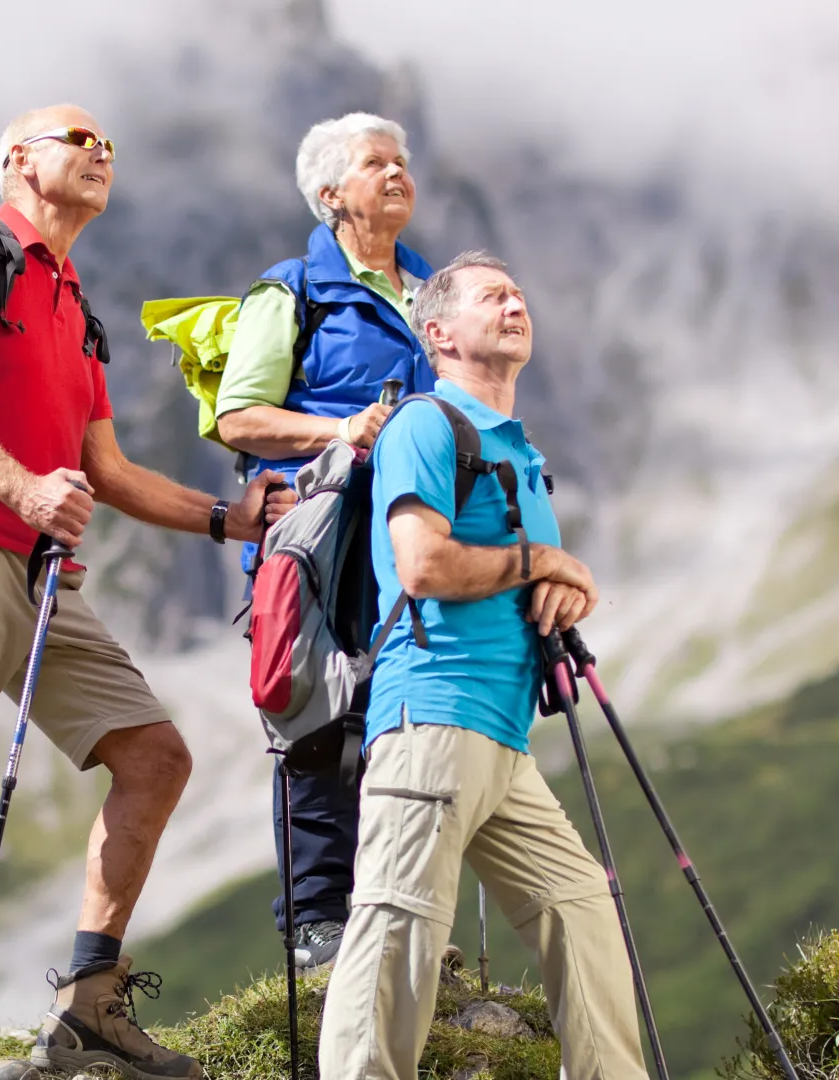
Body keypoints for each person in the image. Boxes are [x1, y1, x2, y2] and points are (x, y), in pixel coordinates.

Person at [0, 104, 296, 1080]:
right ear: (18, 159)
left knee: (155, 757)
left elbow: (103, 466)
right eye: (79, 138)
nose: (102, 153)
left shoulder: (76, 305)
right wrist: (21, 485)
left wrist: (227, 519)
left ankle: (88, 1008)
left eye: (111, 144)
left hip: (38, 569)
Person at [317, 253, 649, 1080]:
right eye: (492, 296)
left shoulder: (518, 451)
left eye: (520, 294)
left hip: (500, 736)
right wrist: (540, 559)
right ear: (439, 332)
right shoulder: (428, 424)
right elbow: (423, 564)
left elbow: (520, 572)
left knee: (581, 910)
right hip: (432, 711)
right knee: (399, 930)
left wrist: (554, 585)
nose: (515, 303)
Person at [214, 112, 436, 970]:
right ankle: (315, 920)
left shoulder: (432, 291)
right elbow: (241, 417)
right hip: (324, 536)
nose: (397, 173)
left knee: (403, 715)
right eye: (376, 163)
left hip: (414, 534)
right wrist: (344, 430)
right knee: (319, 715)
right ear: (330, 195)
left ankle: (393, 914)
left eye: (402, 161)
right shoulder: (290, 289)